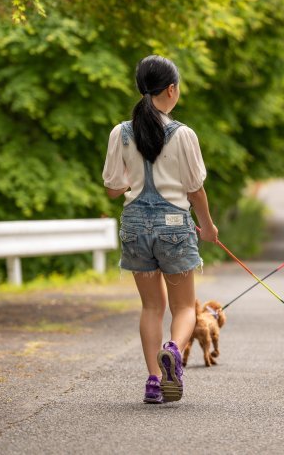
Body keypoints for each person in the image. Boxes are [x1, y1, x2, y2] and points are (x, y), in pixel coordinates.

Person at [102, 55, 219, 403]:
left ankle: (154, 380)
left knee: (151, 307)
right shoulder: (183, 134)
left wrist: (132, 180)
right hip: (174, 227)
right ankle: (173, 350)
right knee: (184, 308)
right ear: (171, 89)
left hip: (135, 226)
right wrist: (208, 227)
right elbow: (195, 189)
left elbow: (112, 188)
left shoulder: (120, 133)